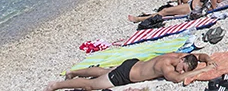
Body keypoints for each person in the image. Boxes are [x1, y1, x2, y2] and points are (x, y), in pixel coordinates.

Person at [45, 52, 216, 90]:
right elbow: (176, 79)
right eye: (183, 68)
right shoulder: (166, 67)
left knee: (103, 71)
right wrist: (205, 69)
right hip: (125, 75)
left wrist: (207, 60)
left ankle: (73, 72)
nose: (181, 71)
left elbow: (199, 55)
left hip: (132, 64)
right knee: (90, 86)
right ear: (182, 61)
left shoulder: (177, 56)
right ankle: (56, 85)